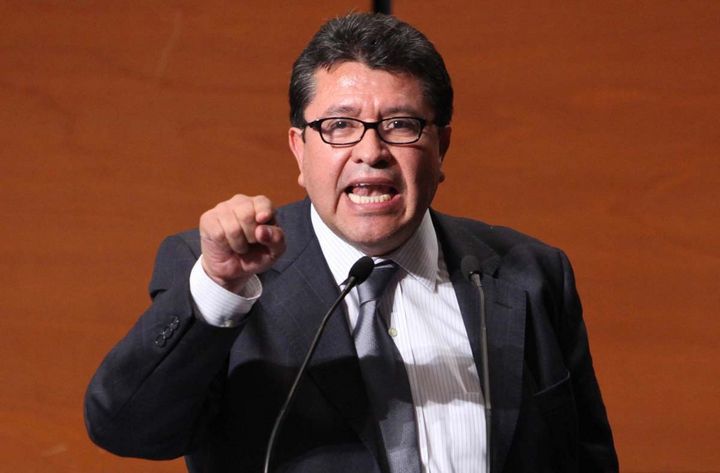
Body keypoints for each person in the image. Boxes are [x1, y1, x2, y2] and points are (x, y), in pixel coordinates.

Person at [84, 12, 618, 473]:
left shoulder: (530, 274)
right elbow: (128, 430)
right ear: (299, 149)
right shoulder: (226, 277)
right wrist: (219, 288)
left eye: (400, 125)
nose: (371, 151)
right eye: (340, 125)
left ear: (442, 146)